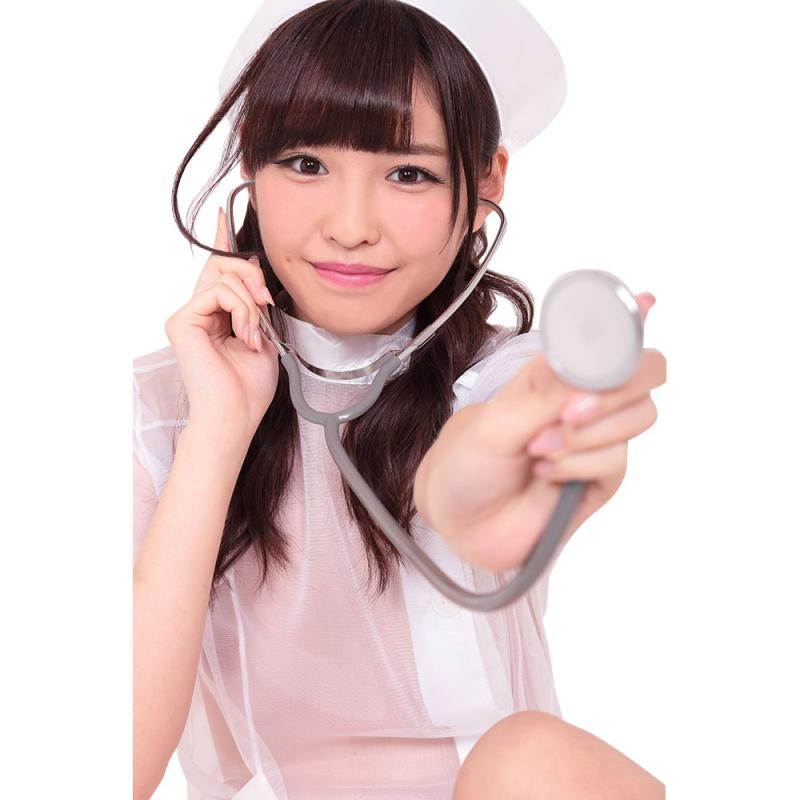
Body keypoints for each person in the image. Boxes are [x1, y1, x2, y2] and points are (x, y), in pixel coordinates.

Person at [133, 1, 666, 797]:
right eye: (305, 163)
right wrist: (218, 427)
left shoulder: (508, 379)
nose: (351, 227)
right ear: (248, 161)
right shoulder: (157, 408)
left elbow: (479, 460)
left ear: (485, 181)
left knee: (531, 760)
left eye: (408, 174)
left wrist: (480, 491)